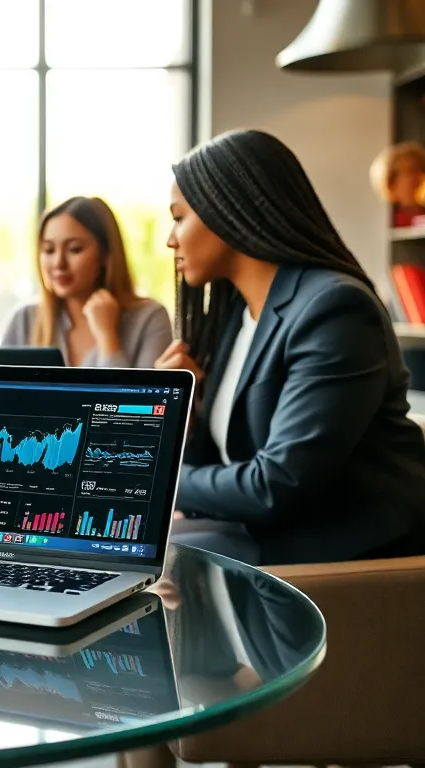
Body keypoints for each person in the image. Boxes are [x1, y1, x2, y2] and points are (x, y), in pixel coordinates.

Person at [158, 129, 425, 565]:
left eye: (178, 217)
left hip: (349, 554)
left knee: (149, 567)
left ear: (227, 210)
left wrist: (155, 477)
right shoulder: (236, 317)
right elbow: (218, 467)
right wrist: (181, 413)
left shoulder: (335, 310)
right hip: (267, 533)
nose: (171, 239)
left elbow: (277, 485)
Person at [2, 196, 173, 368]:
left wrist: (107, 337)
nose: (58, 263)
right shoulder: (24, 320)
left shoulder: (149, 319)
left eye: (74, 249)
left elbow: (140, 396)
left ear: (106, 254)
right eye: (49, 250)